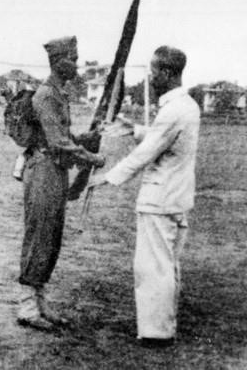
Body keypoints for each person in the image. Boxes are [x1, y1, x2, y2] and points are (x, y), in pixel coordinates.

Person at [88, 46, 200, 347]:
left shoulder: (175, 109)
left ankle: (157, 333)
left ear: (166, 73)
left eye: (154, 71)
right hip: (175, 198)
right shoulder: (187, 105)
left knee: (152, 267)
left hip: (160, 200)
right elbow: (162, 137)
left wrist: (106, 178)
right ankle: (163, 326)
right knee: (167, 265)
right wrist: (133, 129)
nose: (151, 77)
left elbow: (145, 153)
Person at [17, 35, 105, 331]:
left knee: (52, 237)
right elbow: (56, 142)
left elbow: (61, 138)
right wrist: (90, 158)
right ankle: (27, 305)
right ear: (59, 62)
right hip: (43, 169)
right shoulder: (45, 95)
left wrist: (85, 140)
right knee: (40, 233)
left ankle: (40, 300)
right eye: (74, 59)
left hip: (55, 171)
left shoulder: (59, 93)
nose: (77, 64)